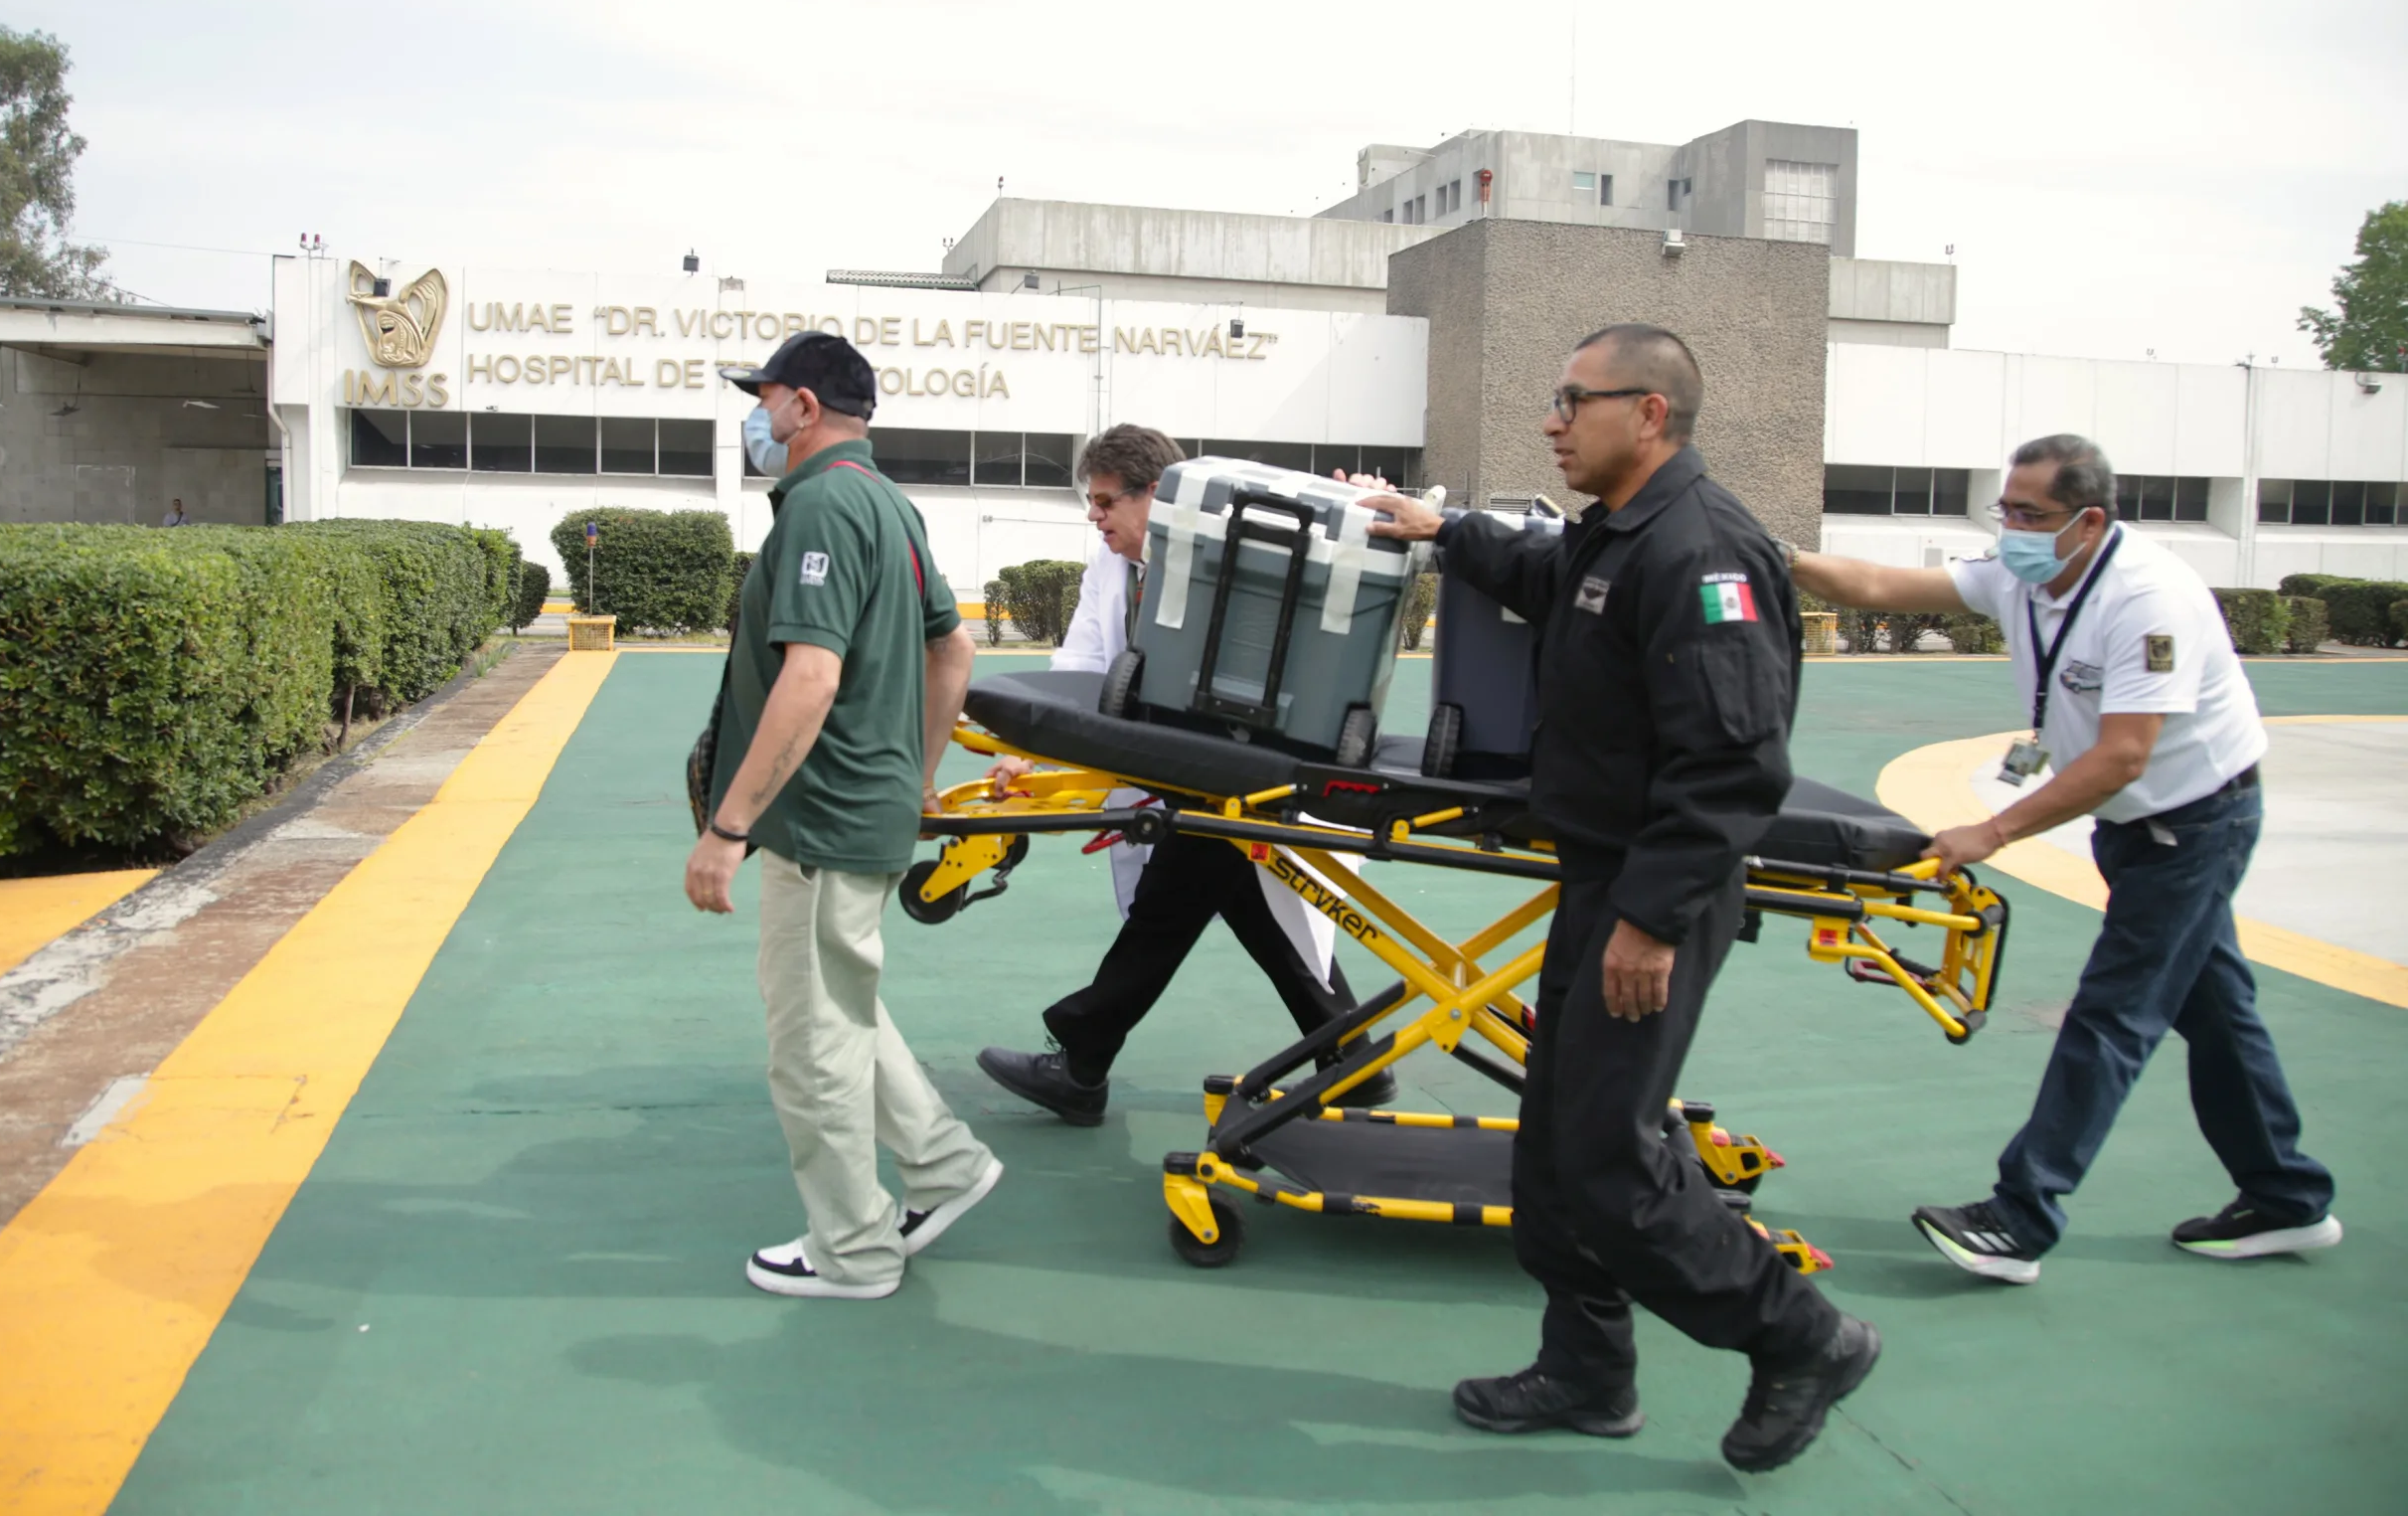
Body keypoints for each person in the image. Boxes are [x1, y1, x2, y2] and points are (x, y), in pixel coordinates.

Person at [1362, 323, 1877, 1475]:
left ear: (1648, 413)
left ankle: (1802, 1335)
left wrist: (1648, 918)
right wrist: (1442, 528)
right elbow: (1552, 579)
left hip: (1654, 895)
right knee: (1553, 1143)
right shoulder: (1620, 535)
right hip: (1605, 878)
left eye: (1571, 398)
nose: (1551, 418)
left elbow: (1733, 765)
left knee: (1605, 1152)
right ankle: (1587, 1369)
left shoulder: (1704, 554)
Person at [1793, 433, 2338, 1284]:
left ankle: (2021, 1215)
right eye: (2004, 509)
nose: (2010, 527)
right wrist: (1772, 554)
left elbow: (2123, 754)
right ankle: (2288, 1195)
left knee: (2112, 1016)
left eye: (2030, 514)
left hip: (2191, 824)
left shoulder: (2147, 601)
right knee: (2219, 1014)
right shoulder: (2026, 570)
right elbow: (1873, 584)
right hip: (2138, 826)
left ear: (2089, 521)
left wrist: (1994, 828)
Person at [685, 331, 1002, 1300]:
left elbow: (810, 675)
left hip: (817, 820)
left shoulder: (822, 505)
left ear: (803, 408)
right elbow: (952, 653)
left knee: (810, 1040)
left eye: (764, 397)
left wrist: (728, 826)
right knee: (840, 1006)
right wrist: (914, 772)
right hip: (860, 809)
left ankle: (854, 1249)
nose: (756, 415)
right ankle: (944, 1165)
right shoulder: (887, 504)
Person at [975, 422, 1398, 1123]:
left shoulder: (1235, 551)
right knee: (1226, 886)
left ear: (1157, 496)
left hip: (1252, 767)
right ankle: (1349, 1052)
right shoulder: (1111, 571)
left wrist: (1374, 506)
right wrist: (1026, 748)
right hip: (1188, 775)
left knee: (1183, 886)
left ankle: (1085, 1054)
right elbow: (1081, 666)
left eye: (1108, 501)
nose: (1095, 516)